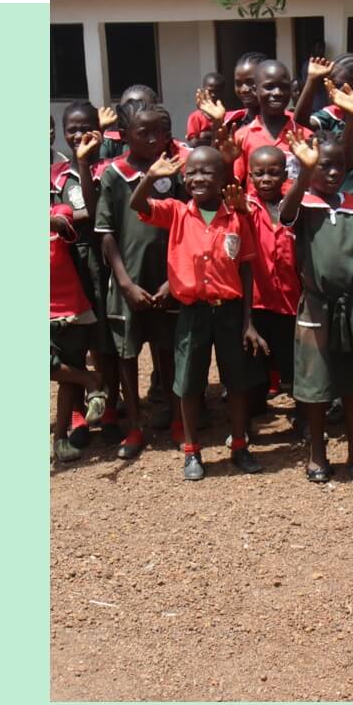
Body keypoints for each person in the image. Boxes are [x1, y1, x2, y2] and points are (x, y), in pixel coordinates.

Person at [130, 147, 267, 480]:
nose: (198, 178)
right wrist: (150, 176)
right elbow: (138, 205)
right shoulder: (176, 212)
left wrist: (248, 322)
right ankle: (192, 451)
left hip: (230, 312)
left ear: (223, 180)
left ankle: (239, 445)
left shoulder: (236, 217)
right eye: (192, 172)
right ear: (183, 177)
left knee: (236, 382)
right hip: (192, 313)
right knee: (189, 384)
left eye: (208, 172)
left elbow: (247, 269)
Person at [280, 130, 353, 483]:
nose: (333, 172)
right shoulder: (304, 203)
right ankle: (318, 454)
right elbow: (286, 214)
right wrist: (304, 174)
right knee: (317, 384)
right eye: (324, 165)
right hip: (317, 306)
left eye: (339, 165)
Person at [94, 106, 187, 459]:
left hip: (166, 280)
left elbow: (185, 225)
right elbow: (106, 234)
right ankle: (134, 425)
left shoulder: (173, 172)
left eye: (159, 133)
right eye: (143, 133)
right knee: (128, 355)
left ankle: (179, 420)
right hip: (128, 281)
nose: (153, 139)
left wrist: (171, 280)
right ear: (124, 134)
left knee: (168, 351)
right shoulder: (113, 175)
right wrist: (125, 284)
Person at [51, 103, 120, 444]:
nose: (78, 135)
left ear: (99, 129)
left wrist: (70, 218)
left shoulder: (108, 169)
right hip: (70, 265)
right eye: (72, 129)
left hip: (102, 260)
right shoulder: (59, 175)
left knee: (105, 341)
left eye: (85, 127)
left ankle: (109, 406)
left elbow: (93, 216)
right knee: (75, 343)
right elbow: (60, 216)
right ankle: (78, 415)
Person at [245, 145, 303, 429]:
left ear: (285, 174)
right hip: (255, 300)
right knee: (255, 362)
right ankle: (254, 410)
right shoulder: (243, 207)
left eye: (273, 172)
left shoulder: (294, 206)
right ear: (250, 175)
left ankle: (303, 416)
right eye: (259, 173)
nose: (266, 178)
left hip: (290, 300)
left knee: (293, 361)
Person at [50, 204, 106, 462]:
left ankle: (60, 440)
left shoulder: (58, 210)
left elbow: (63, 225)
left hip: (71, 310)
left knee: (66, 378)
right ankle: (90, 379)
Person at [292, 54, 353, 194]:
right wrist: (312, 81)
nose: (332, 92)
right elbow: (300, 122)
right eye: (329, 85)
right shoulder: (333, 114)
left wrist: (351, 115)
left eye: (338, 85)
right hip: (338, 203)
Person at [233, 60, 313, 188]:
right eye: (269, 87)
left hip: (299, 207)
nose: (277, 93)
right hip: (256, 207)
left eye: (284, 87)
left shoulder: (306, 136)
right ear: (255, 90)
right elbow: (233, 185)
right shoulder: (241, 137)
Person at [185, 71, 226, 146]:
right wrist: (214, 137)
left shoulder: (227, 115)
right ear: (203, 90)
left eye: (217, 91)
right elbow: (193, 143)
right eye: (210, 91)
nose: (213, 95)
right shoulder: (196, 117)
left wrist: (206, 135)